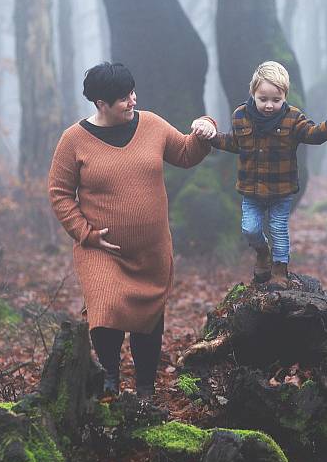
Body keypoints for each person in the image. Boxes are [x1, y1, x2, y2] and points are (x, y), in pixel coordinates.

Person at [48, 62, 216, 399]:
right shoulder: (74, 140)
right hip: (101, 250)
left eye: (132, 93)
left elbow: (185, 153)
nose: (133, 101)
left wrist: (204, 129)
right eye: (124, 98)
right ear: (100, 104)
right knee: (105, 312)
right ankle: (110, 375)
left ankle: (144, 387)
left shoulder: (152, 125)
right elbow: (59, 193)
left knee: (149, 320)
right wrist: (85, 232)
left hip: (151, 251)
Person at [198, 61, 327, 288]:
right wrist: (211, 136)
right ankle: (262, 253)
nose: (269, 105)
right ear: (253, 93)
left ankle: (280, 270)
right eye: (263, 99)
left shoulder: (293, 118)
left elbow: (314, 134)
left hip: (281, 190)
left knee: (278, 228)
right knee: (250, 229)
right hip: (251, 190)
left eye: (276, 100)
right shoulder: (240, 116)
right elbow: (234, 143)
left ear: (285, 95)